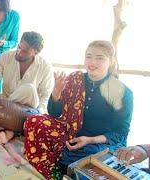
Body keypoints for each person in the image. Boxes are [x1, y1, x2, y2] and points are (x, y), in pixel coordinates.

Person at [23, 40, 134, 179]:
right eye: (89, 56)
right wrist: (57, 90)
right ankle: (54, 169)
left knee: (86, 156)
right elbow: (55, 113)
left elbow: (120, 133)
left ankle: (63, 162)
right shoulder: (75, 79)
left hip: (98, 142)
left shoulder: (122, 92)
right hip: (69, 132)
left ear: (111, 61)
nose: (92, 62)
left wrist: (89, 140)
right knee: (34, 121)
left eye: (99, 58)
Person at [0, 31, 53, 144]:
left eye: (25, 51)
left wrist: (38, 116)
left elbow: (44, 97)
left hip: (25, 109)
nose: (19, 52)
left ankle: (7, 128)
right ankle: (13, 128)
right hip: (5, 101)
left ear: (35, 52)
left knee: (29, 89)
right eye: (19, 47)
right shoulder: (6, 56)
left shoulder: (45, 67)